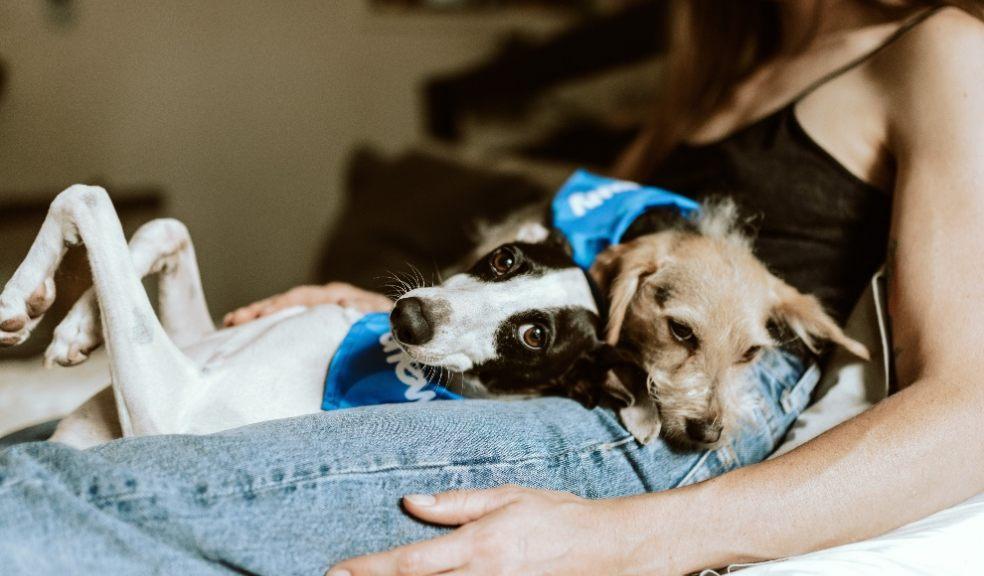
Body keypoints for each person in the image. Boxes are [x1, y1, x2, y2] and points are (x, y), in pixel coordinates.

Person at [0, 2, 981, 574]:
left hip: (657, 413)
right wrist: (392, 313)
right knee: (94, 447)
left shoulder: (945, 50)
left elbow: (969, 411)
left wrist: (631, 541)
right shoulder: (717, 66)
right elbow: (555, 281)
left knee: (73, 496)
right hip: (555, 369)